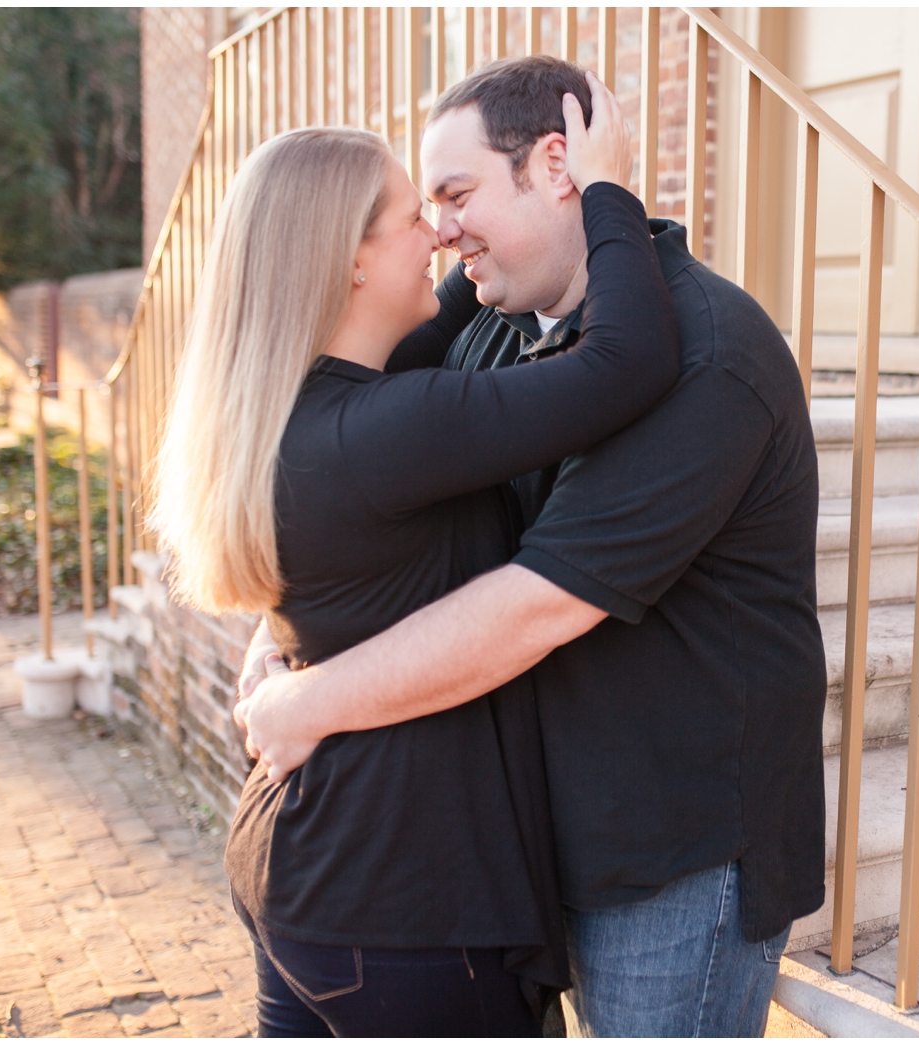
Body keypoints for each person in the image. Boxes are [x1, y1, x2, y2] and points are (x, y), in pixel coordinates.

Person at [236, 55, 827, 1037]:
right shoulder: (494, 325)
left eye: (458, 194)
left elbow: (539, 601)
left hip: (668, 859)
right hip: (538, 833)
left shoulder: (708, 356)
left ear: (560, 168)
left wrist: (309, 699)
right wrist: (286, 617)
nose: (440, 229)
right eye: (424, 206)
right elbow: (341, 467)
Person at [149, 71, 679, 1037]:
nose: (438, 234)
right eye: (412, 216)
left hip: (304, 872)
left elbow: (440, 319)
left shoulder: (290, 411)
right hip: (409, 907)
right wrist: (603, 186)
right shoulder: (388, 428)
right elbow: (629, 363)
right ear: (347, 260)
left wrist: (498, 230)